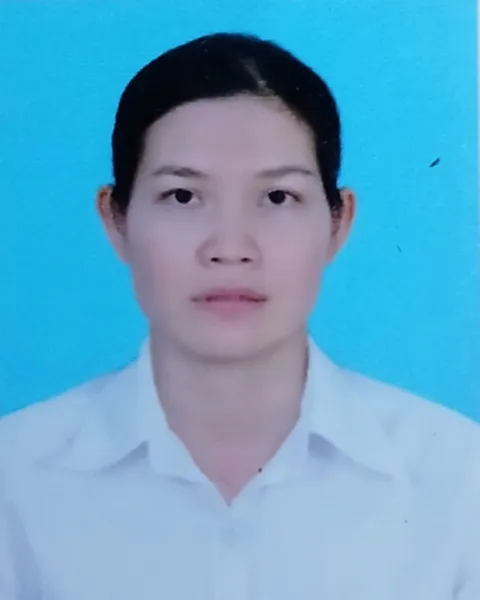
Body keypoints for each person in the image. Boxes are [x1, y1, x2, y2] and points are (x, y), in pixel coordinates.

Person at [0, 32, 479, 600]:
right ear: (116, 220)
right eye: (182, 196)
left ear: (338, 223)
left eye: (278, 197)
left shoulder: (458, 477)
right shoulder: (15, 479)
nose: (230, 248)